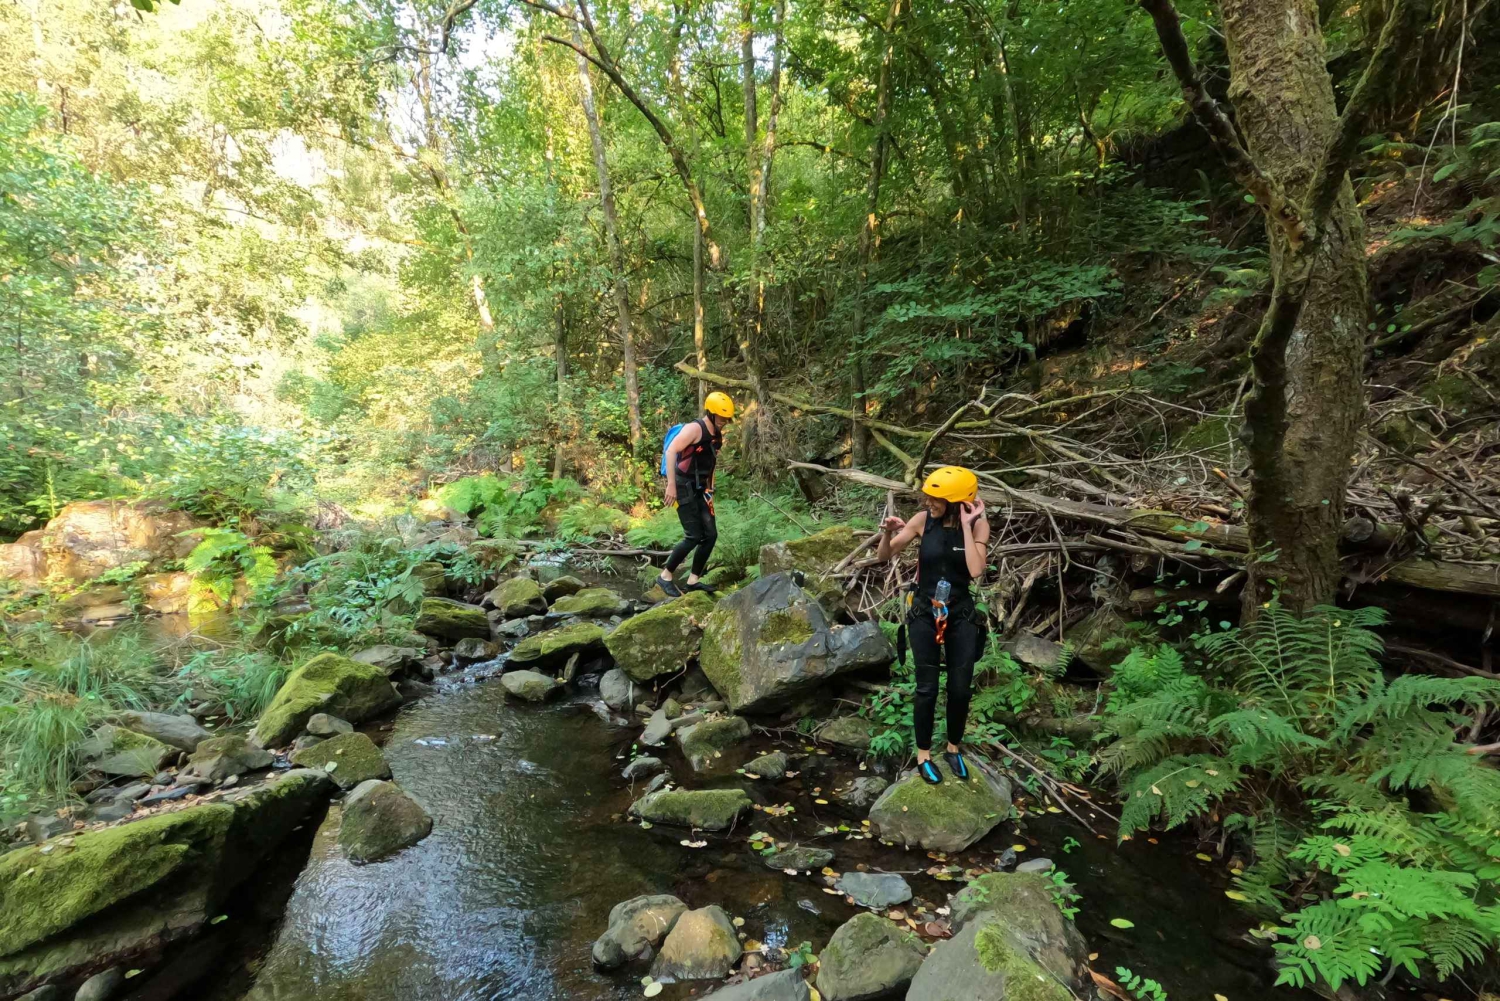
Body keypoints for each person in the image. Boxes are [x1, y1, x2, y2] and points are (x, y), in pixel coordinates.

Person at [875, 465, 990, 784]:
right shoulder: (922, 522)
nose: (928, 502)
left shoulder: (979, 526)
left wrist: (967, 526)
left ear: (956, 501)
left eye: (936, 498)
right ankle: (923, 754)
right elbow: (885, 556)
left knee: (959, 689)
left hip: (961, 613)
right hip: (925, 610)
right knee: (926, 688)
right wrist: (887, 531)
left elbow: (976, 570)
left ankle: (953, 749)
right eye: (927, 496)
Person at [656, 391, 735, 596]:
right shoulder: (694, 429)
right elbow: (671, 451)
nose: (724, 422)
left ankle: (693, 580)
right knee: (693, 535)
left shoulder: (717, 433)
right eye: (721, 417)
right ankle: (665, 576)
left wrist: (710, 488)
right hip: (682, 485)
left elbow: (711, 462)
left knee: (710, 535)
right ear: (710, 412)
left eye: (727, 419)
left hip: (701, 489)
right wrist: (671, 485)